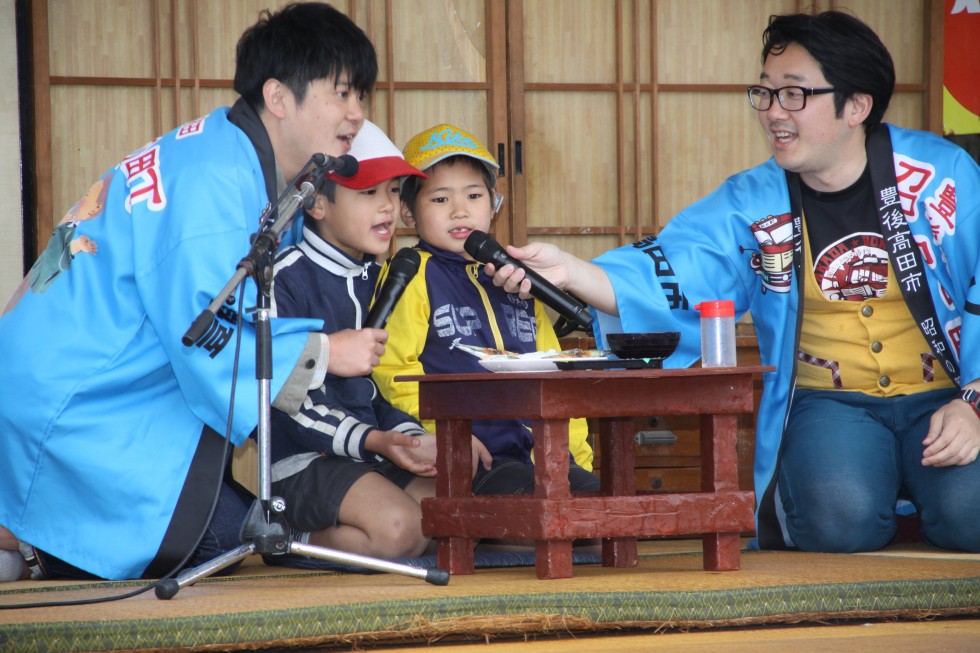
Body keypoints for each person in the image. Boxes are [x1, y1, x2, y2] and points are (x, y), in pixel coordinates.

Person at [487, 11, 980, 553]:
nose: (773, 113)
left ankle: (925, 498)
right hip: (832, 402)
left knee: (970, 517)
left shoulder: (941, 177)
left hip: (950, 393)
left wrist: (974, 404)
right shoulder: (750, 200)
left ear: (856, 106)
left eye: (794, 95)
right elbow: (673, 273)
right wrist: (572, 272)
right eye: (765, 94)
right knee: (837, 522)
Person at [0, 2, 384, 581]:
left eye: (361, 96)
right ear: (279, 98)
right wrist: (327, 351)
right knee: (212, 548)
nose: (357, 114)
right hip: (77, 407)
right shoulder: (214, 184)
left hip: (69, 381)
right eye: (342, 94)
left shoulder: (215, 150)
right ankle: (26, 539)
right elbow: (204, 333)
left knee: (225, 534)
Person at [268, 120, 491, 559]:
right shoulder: (283, 278)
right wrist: (377, 441)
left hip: (372, 448)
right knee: (399, 530)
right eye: (369, 194)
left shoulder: (379, 275)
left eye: (392, 191)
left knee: (466, 513)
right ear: (315, 204)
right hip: (303, 460)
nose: (388, 207)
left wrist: (410, 438)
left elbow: (376, 390)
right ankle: (280, 536)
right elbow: (287, 402)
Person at [372, 123, 600, 497]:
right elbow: (393, 371)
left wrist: (574, 455)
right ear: (409, 213)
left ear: (494, 205)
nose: (460, 211)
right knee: (541, 517)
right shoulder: (412, 273)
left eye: (474, 196)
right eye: (441, 199)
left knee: (602, 511)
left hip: (547, 453)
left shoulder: (514, 277)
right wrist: (446, 437)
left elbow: (556, 372)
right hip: (478, 456)